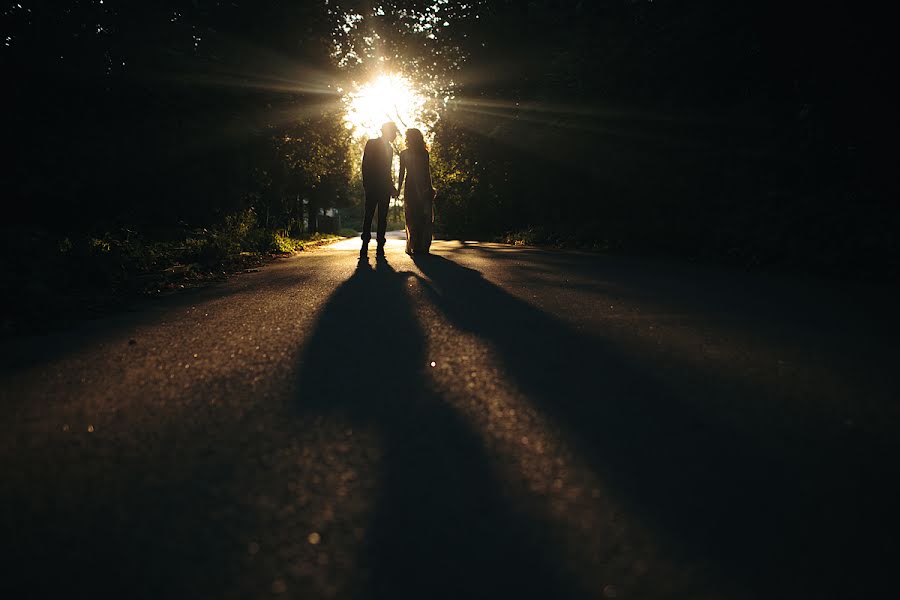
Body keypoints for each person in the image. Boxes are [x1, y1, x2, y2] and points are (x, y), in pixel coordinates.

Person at [360, 122, 399, 258]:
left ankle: (380, 245)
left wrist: (391, 187)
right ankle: (365, 244)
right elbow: (365, 164)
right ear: (387, 132)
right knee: (369, 215)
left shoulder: (390, 148)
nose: (395, 135)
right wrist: (366, 184)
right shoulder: (371, 143)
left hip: (385, 187)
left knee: (383, 216)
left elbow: (387, 170)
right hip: (372, 186)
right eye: (394, 132)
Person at [397, 128, 435, 255]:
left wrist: (398, 188)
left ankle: (416, 245)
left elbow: (403, 173)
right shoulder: (421, 153)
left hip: (414, 186)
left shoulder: (418, 153)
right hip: (417, 186)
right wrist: (429, 188)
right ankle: (420, 245)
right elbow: (425, 173)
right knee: (418, 216)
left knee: (415, 216)